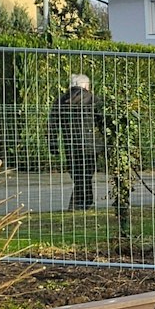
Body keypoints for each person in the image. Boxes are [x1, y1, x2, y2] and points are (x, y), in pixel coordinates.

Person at [48, 74, 101, 209]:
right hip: (91, 144)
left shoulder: (60, 101)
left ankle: (81, 203)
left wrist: (52, 144)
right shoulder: (94, 100)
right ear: (85, 85)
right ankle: (84, 203)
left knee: (77, 175)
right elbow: (102, 122)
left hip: (70, 144)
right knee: (87, 174)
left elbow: (52, 124)